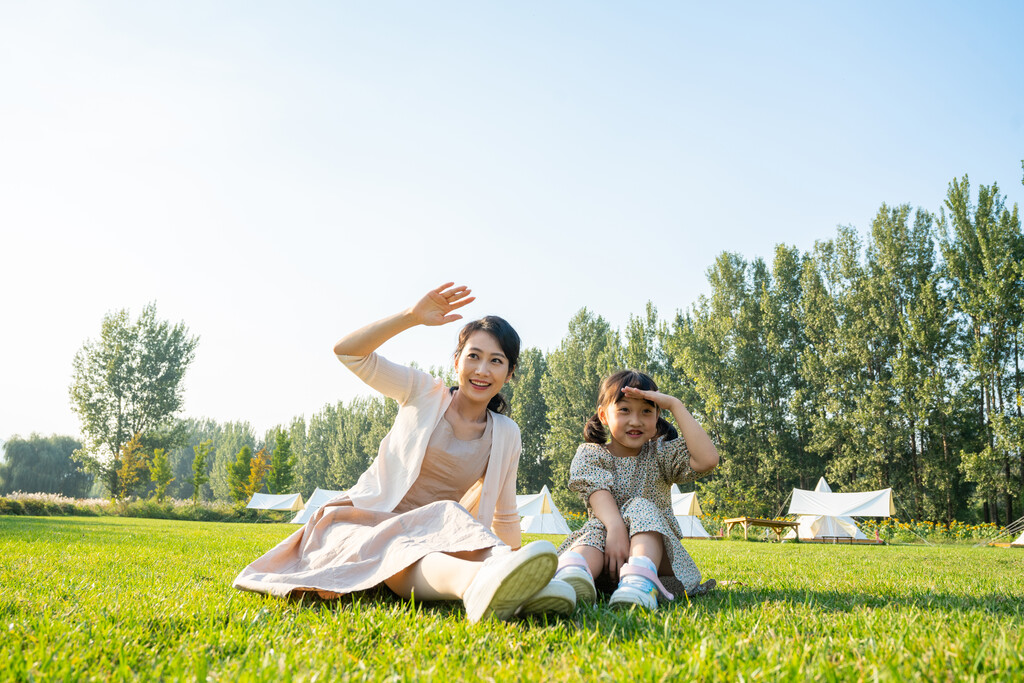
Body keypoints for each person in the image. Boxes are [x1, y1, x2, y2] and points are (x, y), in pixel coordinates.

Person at [233, 283, 575, 622]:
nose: (482, 370)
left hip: (438, 532)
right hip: (363, 522)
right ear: (456, 361)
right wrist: (411, 316)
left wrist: (508, 551)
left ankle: (510, 580)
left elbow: (505, 516)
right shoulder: (423, 392)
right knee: (410, 541)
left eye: (496, 361)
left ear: (510, 373)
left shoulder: (506, 433)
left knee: (449, 534)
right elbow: (349, 352)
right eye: (474, 356)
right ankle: (479, 582)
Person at [550, 370, 720, 610]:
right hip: (607, 555)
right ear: (603, 416)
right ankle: (571, 577)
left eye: (647, 411)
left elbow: (708, 459)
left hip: (656, 561)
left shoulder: (660, 453)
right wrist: (616, 527)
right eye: (624, 410)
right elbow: (597, 491)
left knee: (639, 506)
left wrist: (675, 404)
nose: (636, 420)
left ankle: (640, 583)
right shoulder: (591, 453)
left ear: (658, 415)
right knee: (599, 526)